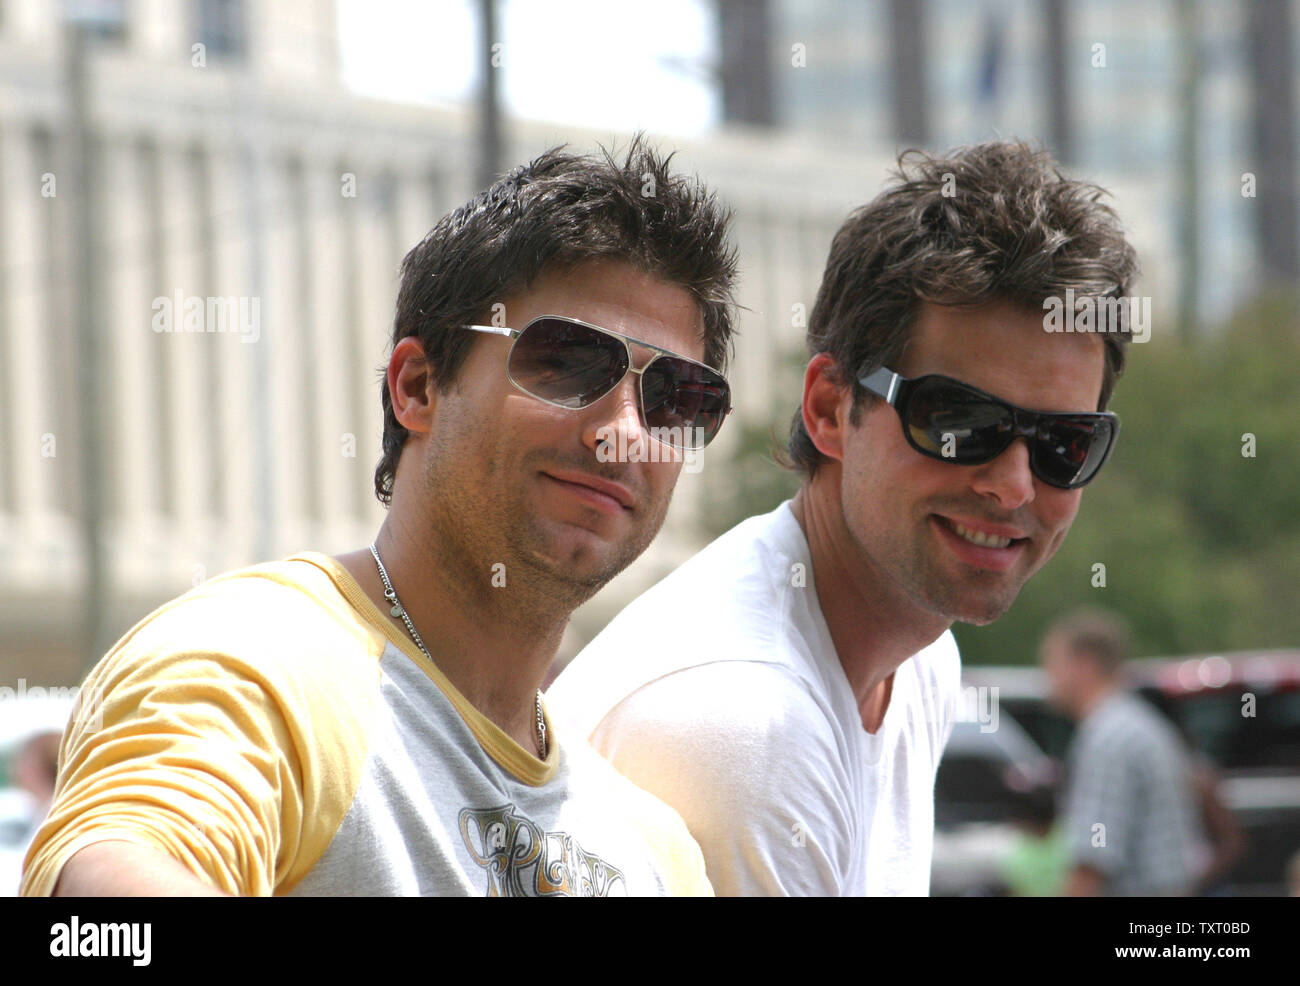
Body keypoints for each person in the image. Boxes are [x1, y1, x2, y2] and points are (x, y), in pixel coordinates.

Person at [21, 137, 739, 897]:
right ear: (418, 387)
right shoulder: (255, 670)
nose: (624, 430)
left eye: (673, 398)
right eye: (565, 362)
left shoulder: (655, 850)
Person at [550, 140, 1140, 895]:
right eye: (960, 422)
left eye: (1065, 443)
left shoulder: (921, 661)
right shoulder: (746, 724)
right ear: (831, 408)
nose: (1015, 486)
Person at [1040, 608, 1205, 896]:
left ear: (1084, 664)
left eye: (1052, 663)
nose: (1047, 678)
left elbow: (1093, 861)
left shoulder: (1107, 737)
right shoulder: (1142, 724)